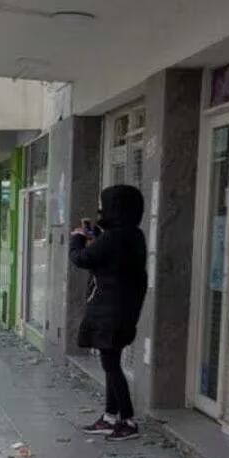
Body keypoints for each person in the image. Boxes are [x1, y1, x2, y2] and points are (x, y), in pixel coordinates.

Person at [70, 184, 148, 442]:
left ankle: (127, 420)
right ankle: (110, 417)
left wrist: (77, 237)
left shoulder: (113, 238)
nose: (102, 210)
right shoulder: (133, 235)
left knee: (111, 365)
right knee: (110, 362)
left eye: (106, 205)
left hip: (111, 312)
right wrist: (99, 235)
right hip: (124, 311)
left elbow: (81, 258)